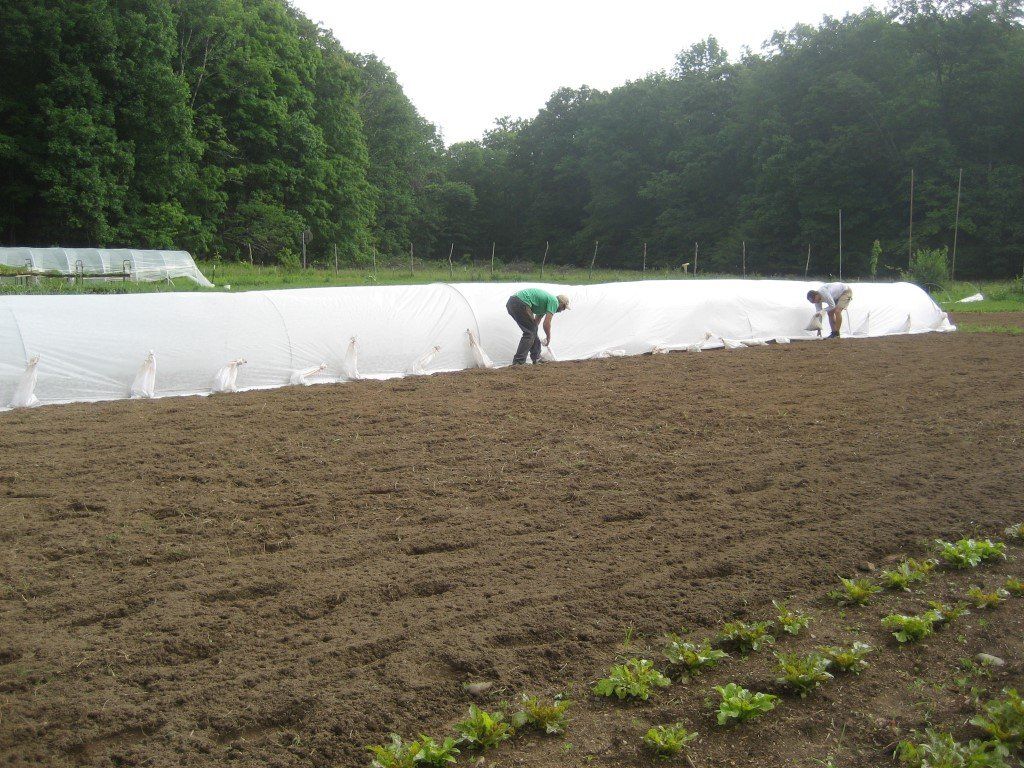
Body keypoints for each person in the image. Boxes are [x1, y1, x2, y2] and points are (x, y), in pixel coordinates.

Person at [505, 288, 570, 365]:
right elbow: (546, 323)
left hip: (513, 302)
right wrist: (548, 337)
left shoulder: (544, 305)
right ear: (561, 303)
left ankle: (536, 358)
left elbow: (535, 324)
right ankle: (518, 362)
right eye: (563, 308)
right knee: (530, 333)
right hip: (520, 302)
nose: (561, 311)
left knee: (532, 331)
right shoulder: (554, 301)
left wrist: (534, 331)